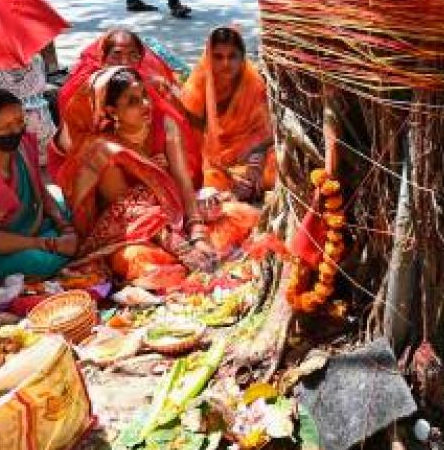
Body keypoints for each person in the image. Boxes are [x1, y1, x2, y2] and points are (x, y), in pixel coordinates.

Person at [57, 67, 258, 290]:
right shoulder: (103, 151)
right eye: (132, 102)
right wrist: (183, 248)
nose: (145, 104)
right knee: (136, 258)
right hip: (130, 234)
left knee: (236, 215)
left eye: (144, 95)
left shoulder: (165, 126)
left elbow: (182, 181)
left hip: (175, 213)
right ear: (111, 110)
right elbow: (130, 213)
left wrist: (197, 231)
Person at [0, 87, 77, 286]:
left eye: (20, 122)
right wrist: (50, 244)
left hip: (29, 228)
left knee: (71, 205)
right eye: (5, 127)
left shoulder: (21, 147)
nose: (16, 131)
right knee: (36, 261)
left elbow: (40, 190)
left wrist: (66, 228)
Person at [49, 29, 201, 185]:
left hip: (143, 175)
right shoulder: (83, 94)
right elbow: (76, 150)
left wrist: (157, 162)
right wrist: (138, 162)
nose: (125, 62)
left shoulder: (146, 91)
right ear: (103, 58)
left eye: (133, 55)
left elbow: (168, 139)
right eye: (116, 55)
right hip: (97, 178)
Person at [180, 27, 276, 202]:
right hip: (212, 158)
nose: (226, 64)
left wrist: (256, 163)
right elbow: (193, 144)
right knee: (206, 178)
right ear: (208, 58)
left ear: (242, 58)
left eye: (232, 56)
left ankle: (250, 185)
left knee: (280, 161)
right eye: (218, 57)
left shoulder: (254, 83)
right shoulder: (195, 90)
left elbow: (264, 134)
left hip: (249, 151)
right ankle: (243, 188)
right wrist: (231, 178)